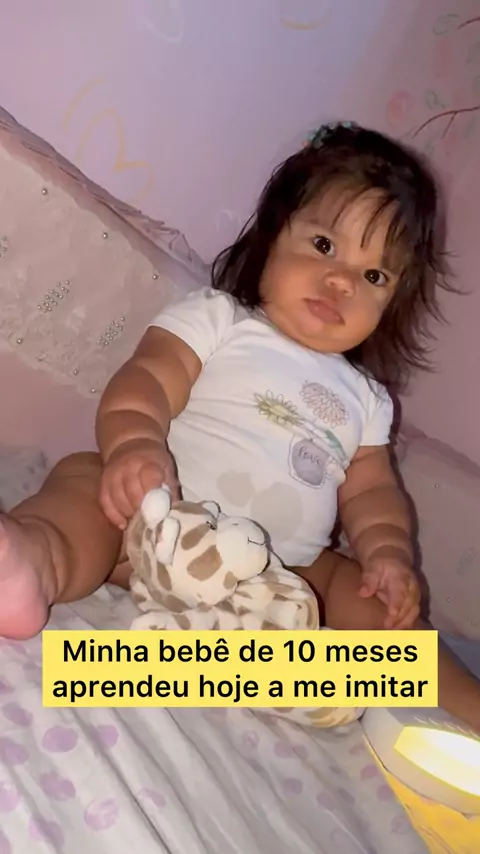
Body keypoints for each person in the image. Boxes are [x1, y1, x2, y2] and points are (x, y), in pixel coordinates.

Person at [1, 121, 479, 730]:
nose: (341, 282)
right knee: (84, 480)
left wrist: (387, 554)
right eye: (325, 245)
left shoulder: (366, 401)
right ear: (272, 235)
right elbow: (148, 380)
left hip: (282, 577)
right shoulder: (221, 318)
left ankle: (467, 711)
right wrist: (135, 445)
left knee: (378, 610)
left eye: (374, 276)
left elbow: (373, 494)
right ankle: (32, 563)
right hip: (156, 527)